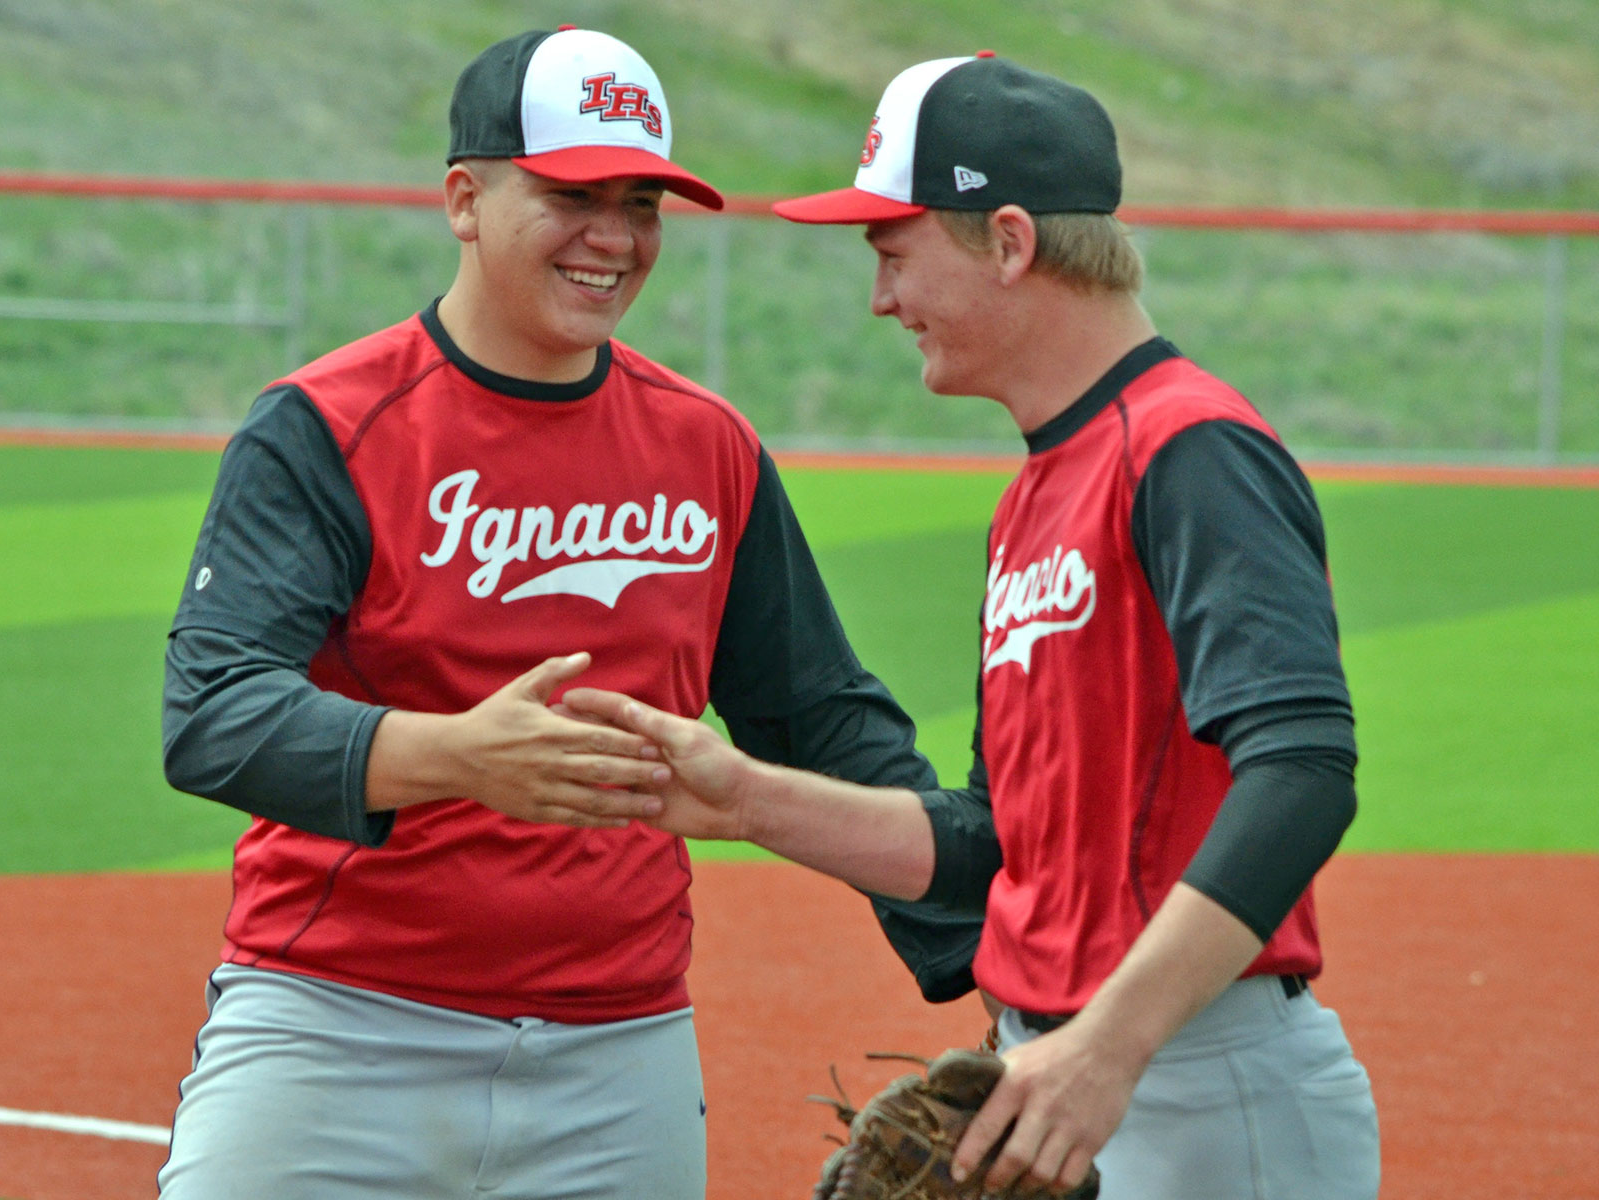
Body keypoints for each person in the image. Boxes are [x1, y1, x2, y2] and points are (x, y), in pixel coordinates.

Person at [155, 26, 970, 1200]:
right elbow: (214, 715)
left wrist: (992, 958)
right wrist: (458, 756)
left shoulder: (707, 446)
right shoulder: (327, 426)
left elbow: (820, 719)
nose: (615, 237)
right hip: (336, 1027)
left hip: (619, 1055)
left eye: (640, 203)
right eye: (572, 195)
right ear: (464, 200)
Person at [564, 52, 1380, 1200]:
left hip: (1191, 1080)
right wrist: (740, 799)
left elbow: (1302, 770)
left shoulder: (1188, 449)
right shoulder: (1036, 497)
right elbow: (995, 843)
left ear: (1007, 242)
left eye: (895, 256)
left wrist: (1105, 1050)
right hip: (1062, 1076)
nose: (880, 299)